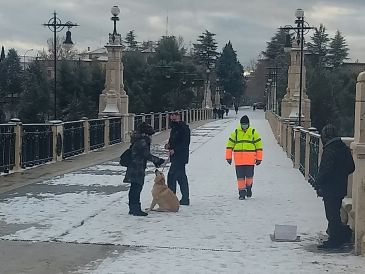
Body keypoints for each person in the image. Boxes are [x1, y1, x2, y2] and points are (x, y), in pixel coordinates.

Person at [315, 124, 355, 249]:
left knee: (331, 214)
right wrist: (340, 174)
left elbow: (326, 170)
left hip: (330, 188)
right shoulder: (343, 147)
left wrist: (318, 182)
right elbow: (351, 167)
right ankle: (338, 236)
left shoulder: (330, 149)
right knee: (335, 213)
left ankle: (335, 239)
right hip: (340, 186)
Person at [126, 122, 165, 216]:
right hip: (137, 167)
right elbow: (146, 155)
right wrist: (158, 160)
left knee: (134, 187)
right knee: (137, 188)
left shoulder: (138, 138)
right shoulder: (142, 141)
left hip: (134, 166)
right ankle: (135, 209)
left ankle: (133, 208)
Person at [225, 115, 263, 199]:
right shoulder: (236, 133)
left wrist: (259, 158)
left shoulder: (253, 133)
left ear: (248, 124)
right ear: (240, 124)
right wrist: (228, 157)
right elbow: (229, 146)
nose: (244, 125)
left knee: (249, 177)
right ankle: (242, 193)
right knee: (240, 178)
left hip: (250, 160)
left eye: (245, 124)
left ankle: (248, 188)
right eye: (243, 124)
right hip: (239, 161)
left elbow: (259, 147)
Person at [165, 112, 191, 205]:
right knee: (181, 177)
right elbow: (172, 140)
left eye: (175, 115)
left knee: (171, 176)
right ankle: (185, 199)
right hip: (175, 156)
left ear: (179, 116)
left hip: (181, 156)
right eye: (171, 115)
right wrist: (168, 146)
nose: (172, 117)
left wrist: (175, 149)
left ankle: (172, 199)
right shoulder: (174, 128)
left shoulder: (184, 128)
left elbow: (185, 143)